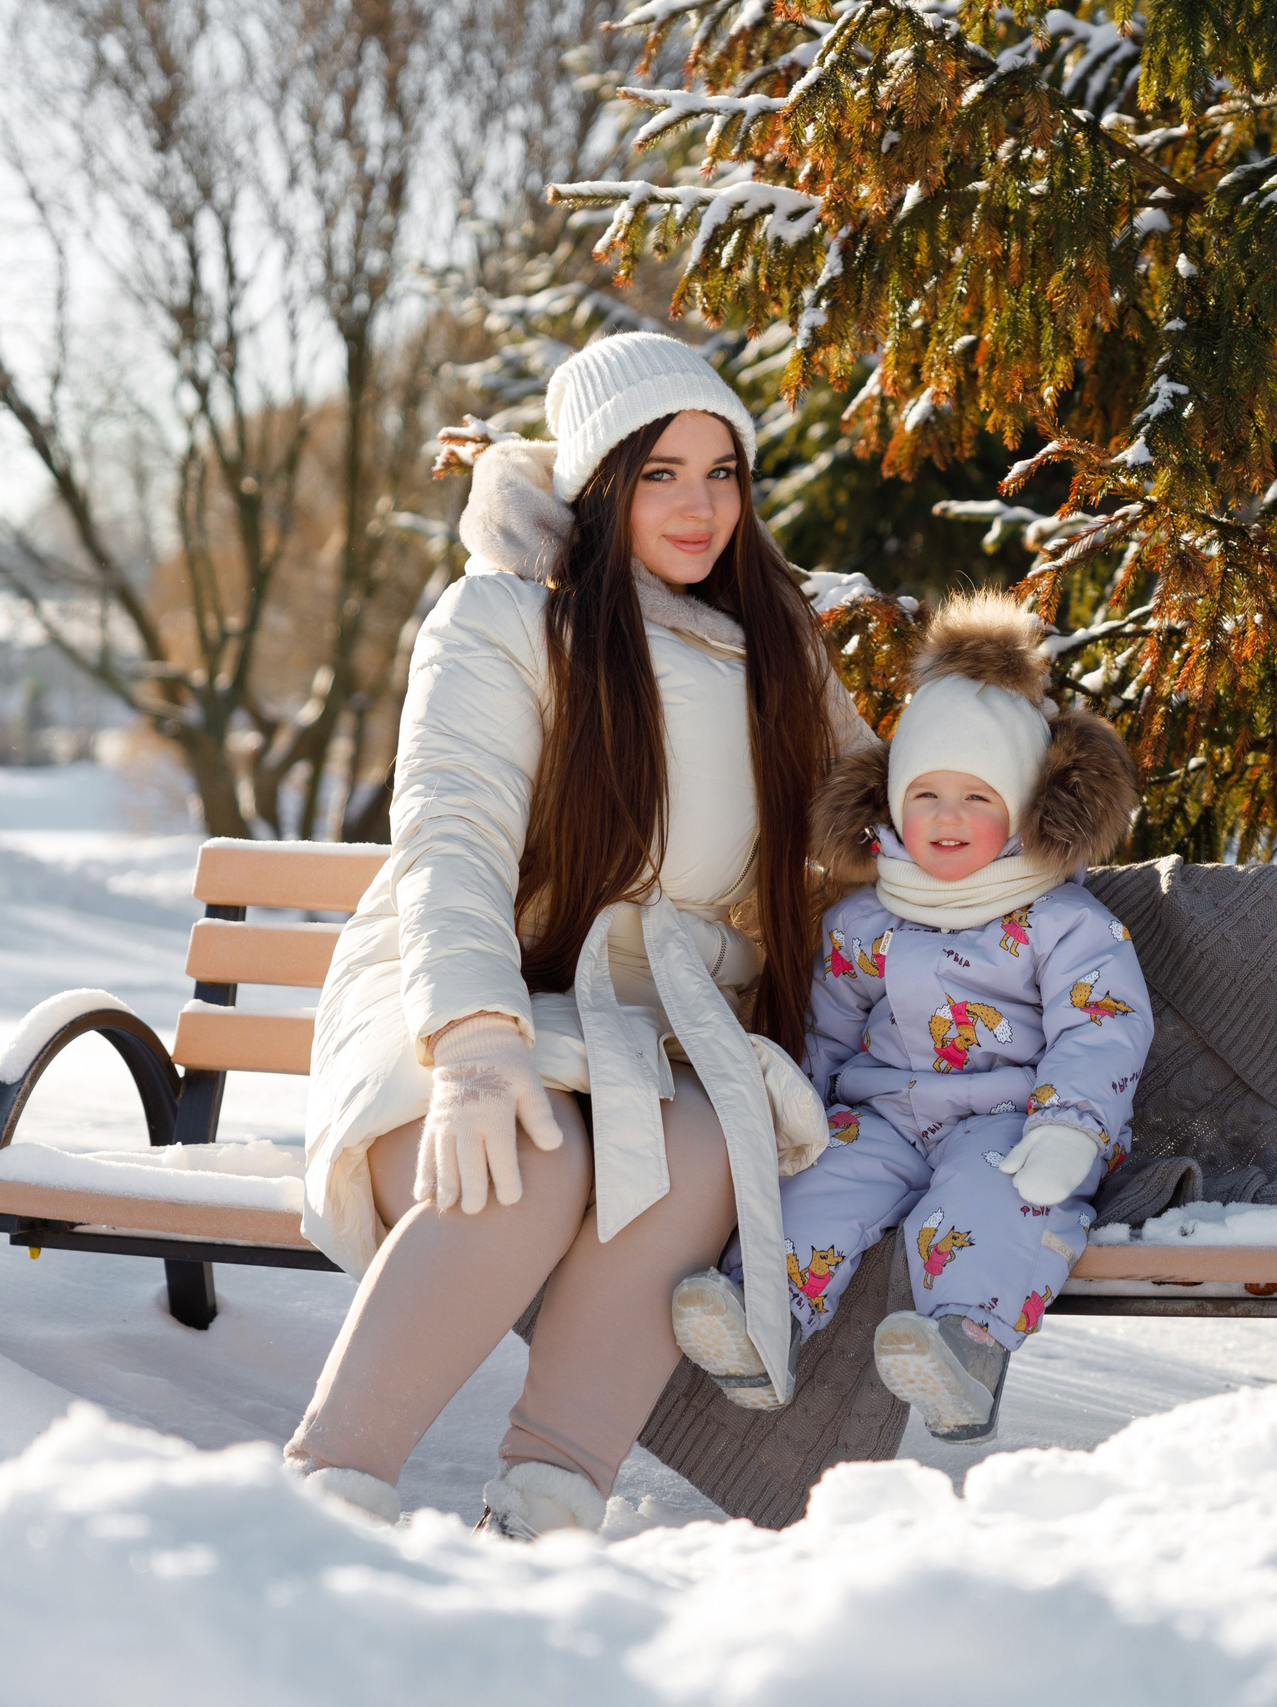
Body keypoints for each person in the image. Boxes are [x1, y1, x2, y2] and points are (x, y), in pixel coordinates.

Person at [285, 333, 866, 1538]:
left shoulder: (778, 650)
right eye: (660, 473)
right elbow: (454, 833)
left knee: (710, 1151)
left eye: (724, 471)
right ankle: (328, 1491)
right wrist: (476, 1046)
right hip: (465, 1001)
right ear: (600, 482)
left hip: (661, 1044)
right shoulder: (504, 620)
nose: (700, 505)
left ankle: (547, 1506)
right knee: (531, 1152)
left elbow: (883, 821)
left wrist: (1007, 794)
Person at [666, 593, 1149, 1443]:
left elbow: (1100, 1029)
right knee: (818, 1186)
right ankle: (759, 1319)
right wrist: (794, 1113)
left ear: (1028, 806)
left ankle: (965, 1347)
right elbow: (824, 1030)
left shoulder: (1064, 922)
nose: (948, 817)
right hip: (881, 1117)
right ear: (890, 804)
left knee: (989, 1202)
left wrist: (1072, 1126)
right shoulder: (864, 921)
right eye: (925, 793)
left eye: (976, 795)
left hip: (1010, 1124)